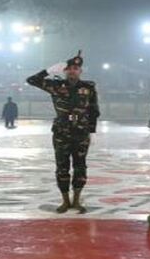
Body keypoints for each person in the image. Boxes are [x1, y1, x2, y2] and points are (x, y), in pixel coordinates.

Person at [26, 50, 100, 214]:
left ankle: (77, 201)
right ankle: (65, 201)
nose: (73, 71)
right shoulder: (56, 85)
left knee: (80, 167)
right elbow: (31, 80)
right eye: (69, 68)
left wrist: (91, 131)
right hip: (61, 133)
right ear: (65, 71)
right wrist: (48, 71)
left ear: (80, 71)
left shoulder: (88, 87)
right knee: (62, 167)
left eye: (76, 68)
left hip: (81, 133)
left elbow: (94, 110)